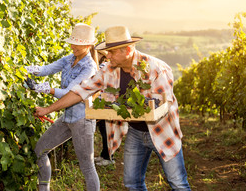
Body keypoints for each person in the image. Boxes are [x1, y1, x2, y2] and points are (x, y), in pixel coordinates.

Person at [34, 26, 191, 190]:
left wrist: (126, 108)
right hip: (136, 132)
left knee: (178, 183)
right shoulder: (109, 70)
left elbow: (162, 106)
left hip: (162, 131)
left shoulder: (156, 68)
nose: (107, 56)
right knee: (132, 183)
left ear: (128, 50)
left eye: (111, 52)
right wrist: (47, 110)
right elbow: (80, 91)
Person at [24, 23, 100, 191]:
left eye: (77, 44)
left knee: (87, 166)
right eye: (72, 42)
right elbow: (46, 69)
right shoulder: (69, 58)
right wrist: (25, 70)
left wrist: (43, 89)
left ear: (88, 45)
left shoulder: (89, 68)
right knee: (40, 150)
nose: (73, 46)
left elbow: (69, 93)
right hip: (66, 118)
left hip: (82, 121)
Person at [94, 50, 115, 166]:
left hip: (104, 105)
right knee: (104, 130)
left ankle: (109, 158)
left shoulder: (103, 65)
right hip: (103, 104)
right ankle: (104, 155)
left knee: (106, 131)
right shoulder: (104, 65)